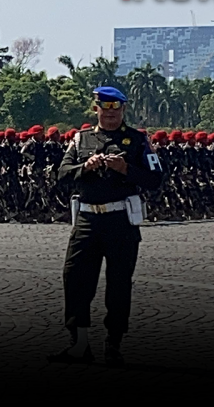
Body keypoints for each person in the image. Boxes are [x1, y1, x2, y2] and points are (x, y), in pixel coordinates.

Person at [48, 86, 164, 366]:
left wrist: (126, 170)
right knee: (74, 277)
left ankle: (114, 343)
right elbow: (61, 175)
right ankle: (80, 343)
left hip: (120, 220)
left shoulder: (137, 141)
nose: (110, 114)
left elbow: (156, 178)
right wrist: (85, 167)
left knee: (119, 283)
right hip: (87, 219)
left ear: (123, 110)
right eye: (105, 108)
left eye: (116, 109)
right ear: (96, 109)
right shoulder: (80, 139)